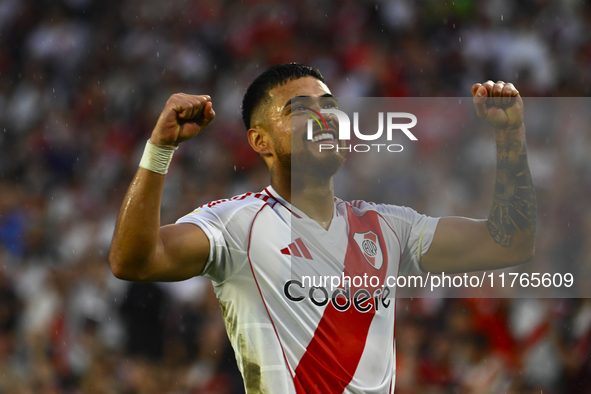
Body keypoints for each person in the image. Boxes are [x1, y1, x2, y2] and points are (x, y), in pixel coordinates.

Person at [109, 63, 536, 393]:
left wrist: (510, 136)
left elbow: (509, 244)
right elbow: (134, 261)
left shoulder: (389, 228)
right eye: (301, 109)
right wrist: (160, 150)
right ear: (260, 142)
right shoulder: (236, 224)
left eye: (329, 106)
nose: (324, 117)